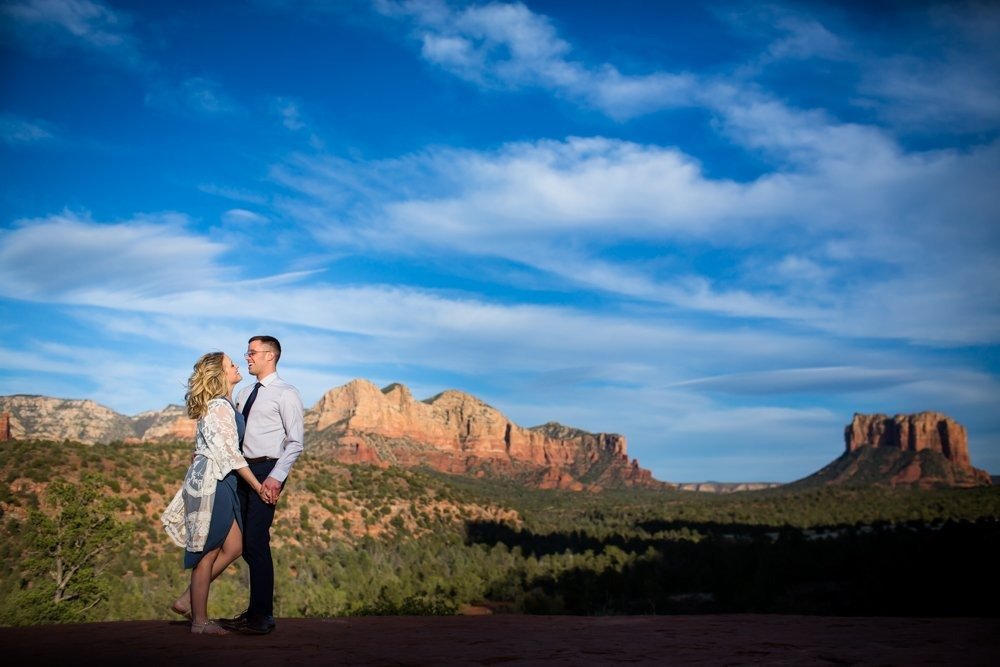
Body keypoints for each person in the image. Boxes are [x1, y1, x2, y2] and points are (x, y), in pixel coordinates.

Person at [161, 352, 268, 636]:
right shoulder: (219, 406)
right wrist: (258, 487)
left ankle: (187, 599)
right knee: (208, 552)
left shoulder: (223, 405)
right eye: (231, 363)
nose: (236, 366)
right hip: (214, 483)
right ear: (220, 374)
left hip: (224, 481)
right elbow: (229, 454)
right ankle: (199, 622)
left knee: (234, 546)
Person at [219, 335, 304, 635]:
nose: (247, 357)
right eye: (247, 352)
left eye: (252, 352)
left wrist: (276, 477)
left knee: (256, 540)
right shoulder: (243, 393)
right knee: (243, 543)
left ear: (270, 355)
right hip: (243, 471)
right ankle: (254, 611)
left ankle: (262, 616)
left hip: (268, 469)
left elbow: (295, 443)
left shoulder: (286, 393)